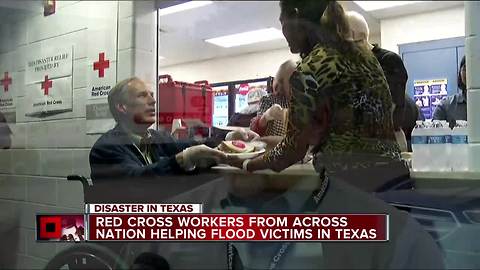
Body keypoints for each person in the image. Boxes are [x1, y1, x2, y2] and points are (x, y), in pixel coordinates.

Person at [89, 77, 226, 182]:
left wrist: (228, 139)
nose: (153, 101)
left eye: (152, 95)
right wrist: (182, 160)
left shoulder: (158, 137)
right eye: (142, 95)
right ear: (122, 107)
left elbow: (193, 146)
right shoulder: (105, 149)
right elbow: (135, 182)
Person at [346, 11, 409, 152]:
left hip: (387, 145)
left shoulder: (388, 61)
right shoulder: (346, 65)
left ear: (353, 35)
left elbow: (386, 110)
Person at [250, 60, 296, 137]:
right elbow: (254, 132)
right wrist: (265, 117)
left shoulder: (300, 102)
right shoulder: (269, 100)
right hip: (270, 147)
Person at [433, 56, 467, 129]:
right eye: (465, 68)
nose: (470, 72)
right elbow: (434, 134)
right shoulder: (445, 106)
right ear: (460, 73)